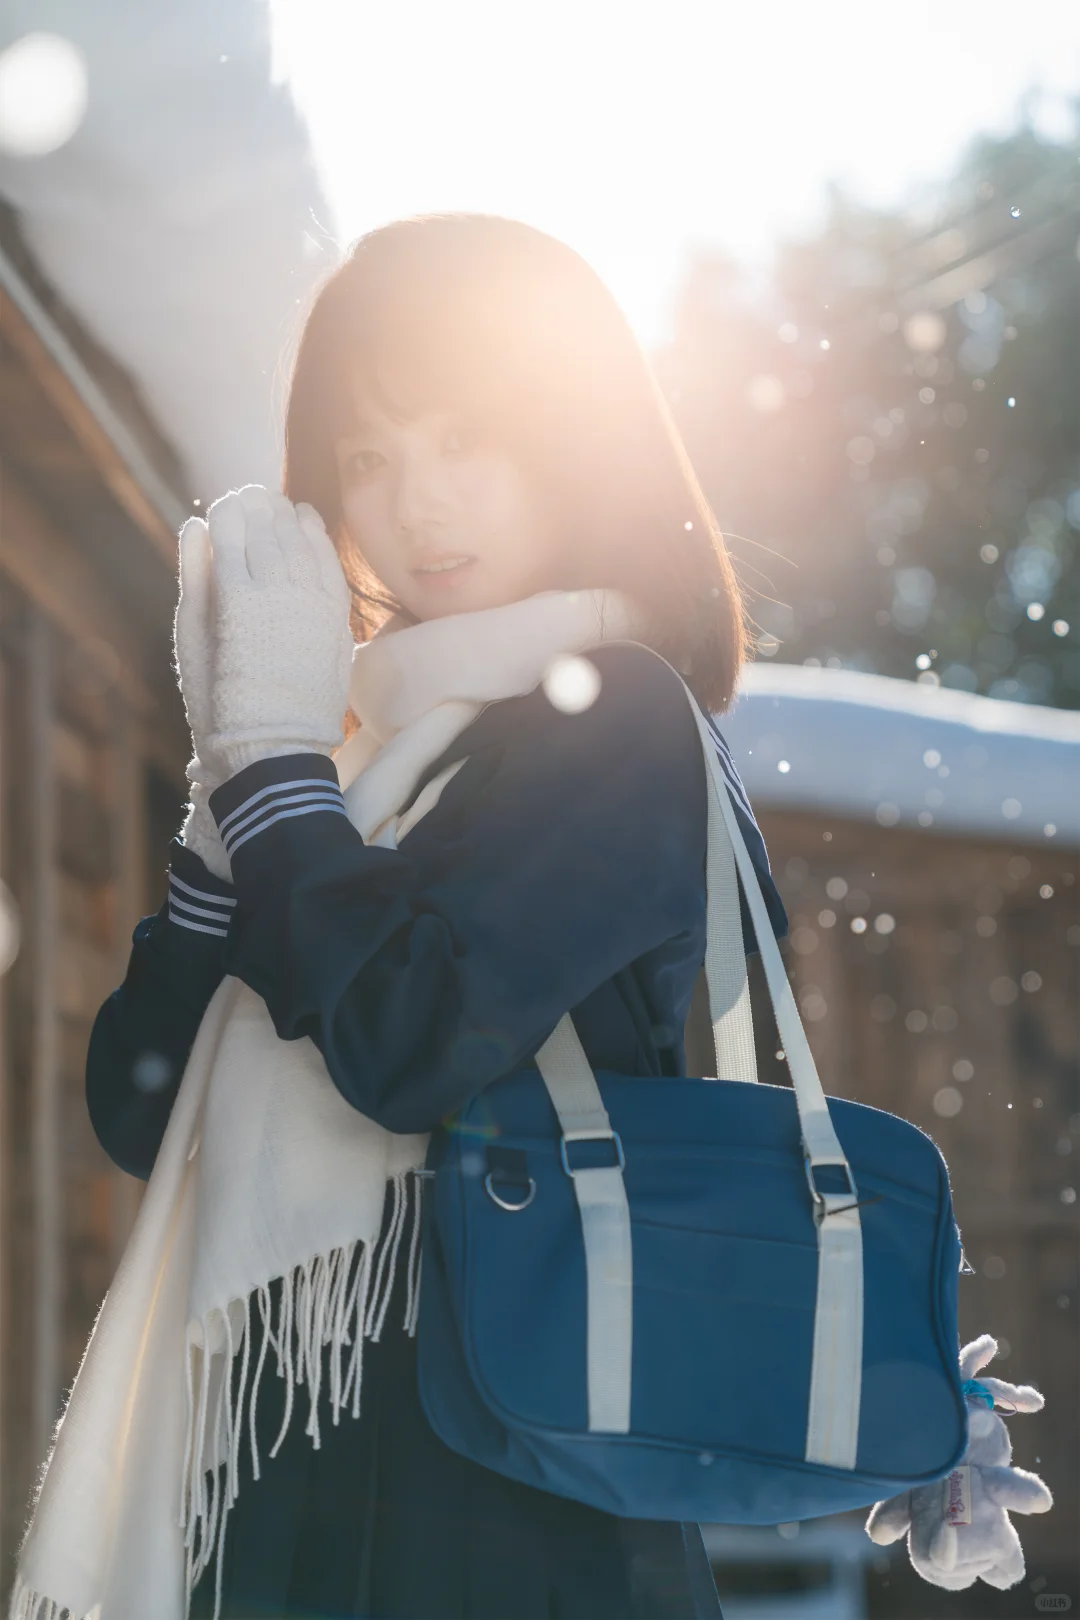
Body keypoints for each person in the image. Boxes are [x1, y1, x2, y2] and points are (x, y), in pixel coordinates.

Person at [86, 214, 789, 1620]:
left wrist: (278, 769)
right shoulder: (358, 769)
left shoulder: (616, 722)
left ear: (575, 438)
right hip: (297, 1475)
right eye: (369, 456)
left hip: (516, 1516)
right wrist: (235, 786)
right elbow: (142, 1108)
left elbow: (412, 1038)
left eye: (466, 437)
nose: (418, 504)